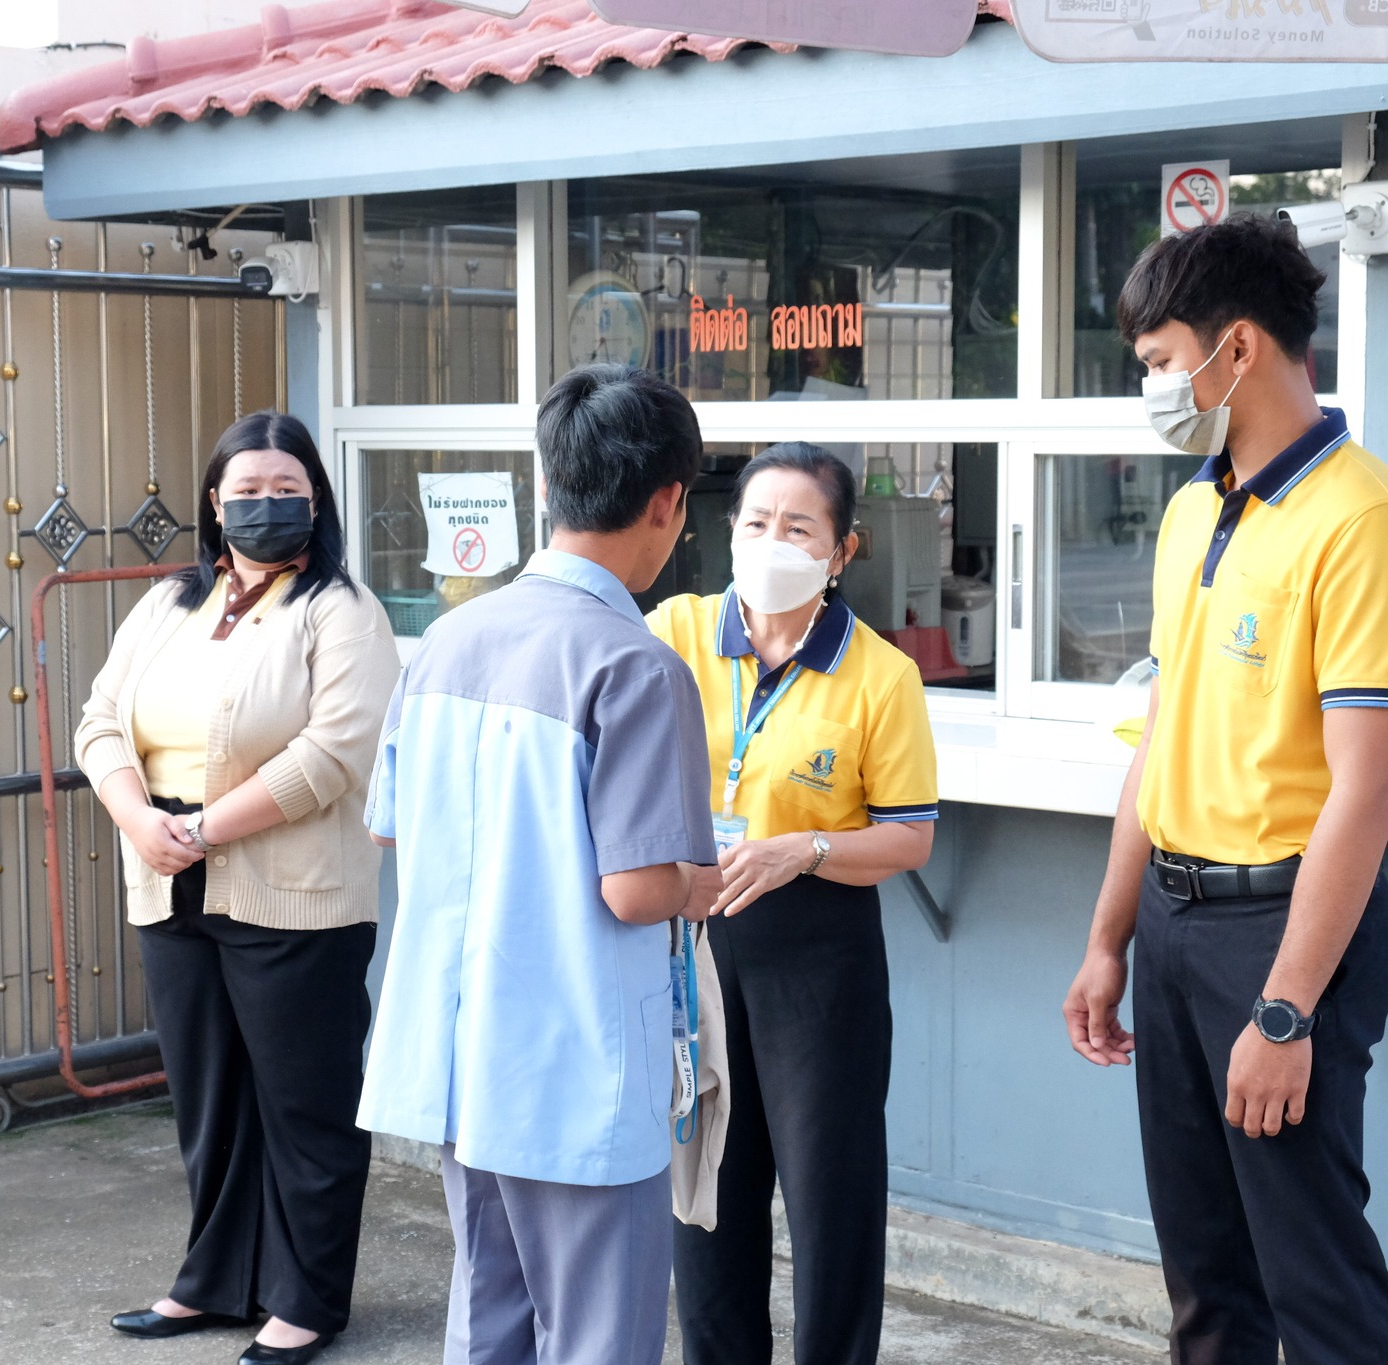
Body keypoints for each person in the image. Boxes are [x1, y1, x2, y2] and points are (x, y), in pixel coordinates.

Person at [1062, 216, 1388, 1365]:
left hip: (1284, 932)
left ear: (1235, 350)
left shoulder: (1361, 519)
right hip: (1173, 924)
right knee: (1206, 1280)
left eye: (1159, 360)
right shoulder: (1191, 510)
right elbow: (1163, 733)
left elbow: (1363, 795)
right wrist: (1108, 935)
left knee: (1309, 1277)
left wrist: (1283, 1010)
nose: (1154, 389)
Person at [358, 363, 723, 1365]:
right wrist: (710, 877)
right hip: (573, 1067)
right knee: (598, 1338)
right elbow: (640, 888)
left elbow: (391, 828)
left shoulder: (448, 637)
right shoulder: (635, 664)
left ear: (548, 484)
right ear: (666, 502)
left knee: (489, 1322)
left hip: (459, 1060)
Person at [75, 409, 400, 1365]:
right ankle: (213, 1280)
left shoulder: (342, 611)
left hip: (291, 891)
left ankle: (307, 1301)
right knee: (210, 1097)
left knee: (306, 1104)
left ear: (316, 500)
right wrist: (141, 821)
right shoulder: (170, 601)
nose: (266, 505)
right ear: (214, 505)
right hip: (169, 878)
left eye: (286, 490)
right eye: (247, 491)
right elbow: (99, 720)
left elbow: (336, 753)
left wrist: (206, 828)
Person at [648, 441, 937, 1365]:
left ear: (842, 549)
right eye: (757, 521)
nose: (773, 540)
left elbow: (908, 836)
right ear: (728, 530)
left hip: (821, 955)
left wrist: (804, 849)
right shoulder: (675, 633)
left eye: (799, 526)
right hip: (697, 941)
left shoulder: (880, 675)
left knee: (830, 1197)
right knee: (710, 1192)